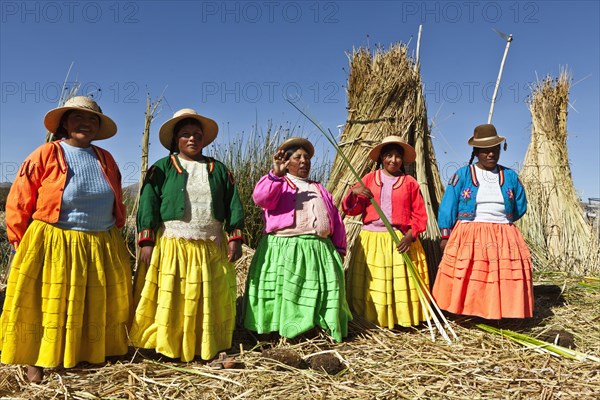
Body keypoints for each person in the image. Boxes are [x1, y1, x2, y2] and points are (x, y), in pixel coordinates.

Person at [0, 96, 132, 383]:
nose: (86, 123)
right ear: (64, 124)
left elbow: (116, 195)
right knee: (46, 301)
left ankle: (86, 351)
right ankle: (35, 357)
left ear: (99, 127)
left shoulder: (105, 158)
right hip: (54, 240)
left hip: (100, 241)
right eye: (78, 118)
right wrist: (19, 242)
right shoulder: (46, 154)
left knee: (93, 301)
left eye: (92, 119)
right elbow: (20, 199)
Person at [130, 108, 244, 363]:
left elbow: (234, 203)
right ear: (175, 140)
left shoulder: (219, 170)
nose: (192, 139)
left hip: (210, 245)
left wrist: (235, 237)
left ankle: (203, 344)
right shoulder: (162, 168)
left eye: (197, 134)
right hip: (174, 244)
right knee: (175, 295)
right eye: (185, 135)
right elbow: (147, 203)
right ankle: (169, 345)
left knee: (206, 297)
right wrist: (147, 241)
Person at [244, 137, 351, 342]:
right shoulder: (277, 182)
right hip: (285, 248)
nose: (304, 161)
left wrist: (339, 248)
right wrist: (275, 174)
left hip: (319, 250)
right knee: (287, 290)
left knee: (317, 292)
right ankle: (281, 333)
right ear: (286, 161)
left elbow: (335, 219)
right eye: (298, 157)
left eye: (307, 157)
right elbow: (261, 198)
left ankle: (315, 331)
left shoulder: (319, 188)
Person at [432, 124, 533, 319]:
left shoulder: (510, 176)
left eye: (494, 149)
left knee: (499, 275)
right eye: (485, 150)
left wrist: (504, 223)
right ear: (476, 152)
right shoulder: (462, 175)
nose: (490, 154)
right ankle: (471, 312)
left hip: (503, 233)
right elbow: (448, 205)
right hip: (470, 232)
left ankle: (499, 312)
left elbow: (520, 205)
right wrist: (446, 234)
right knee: (474, 273)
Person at [342, 135, 430, 328]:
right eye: (388, 155)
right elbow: (352, 209)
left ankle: (400, 320)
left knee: (398, 283)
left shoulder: (410, 182)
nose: (393, 160)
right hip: (371, 240)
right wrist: (353, 193)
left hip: (399, 239)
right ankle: (370, 319)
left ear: (402, 159)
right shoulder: (369, 179)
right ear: (381, 158)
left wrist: (411, 235)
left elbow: (420, 214)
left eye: (397, 156)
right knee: (374, 283)